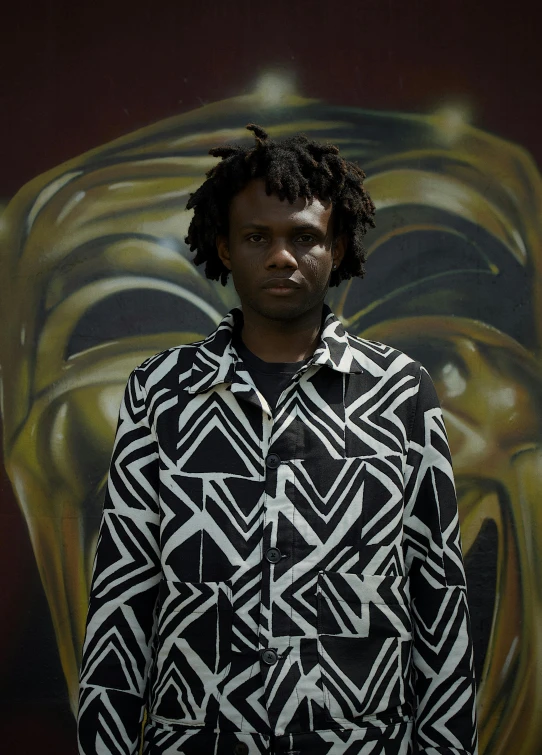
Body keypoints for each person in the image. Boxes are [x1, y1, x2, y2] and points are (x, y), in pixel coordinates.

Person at [77, 124, 478, 755]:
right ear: (225, 247)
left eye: (305, 237)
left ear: (338, 246)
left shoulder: (400, 393)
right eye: (257, 236)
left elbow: (439, 597)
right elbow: (122, 599)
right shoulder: (162, 394)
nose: (282, 256)